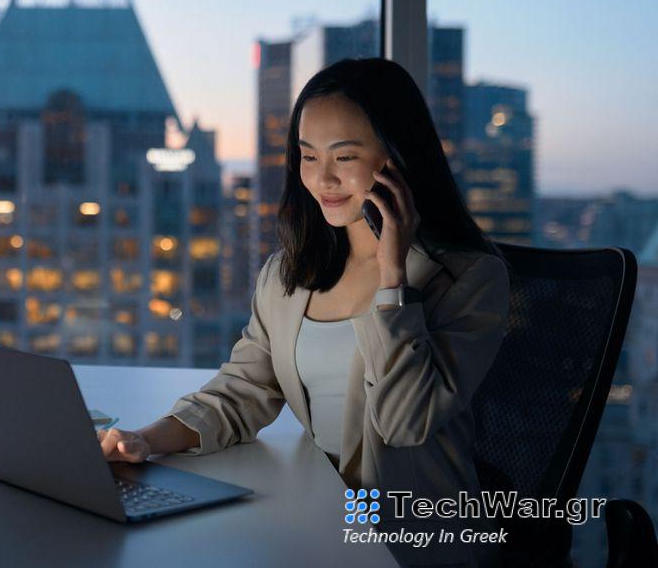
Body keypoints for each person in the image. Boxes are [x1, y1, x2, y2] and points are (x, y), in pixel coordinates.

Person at [97, 57, 510, 566]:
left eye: (345, 156)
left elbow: (404, 422)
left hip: (409, 540)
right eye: (308, 156)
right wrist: (143, 440)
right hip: (315, 511)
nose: (323, 179)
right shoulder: (289, 273)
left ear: (398, 158)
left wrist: (392, 276)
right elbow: (242, 391)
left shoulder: (468, 279)